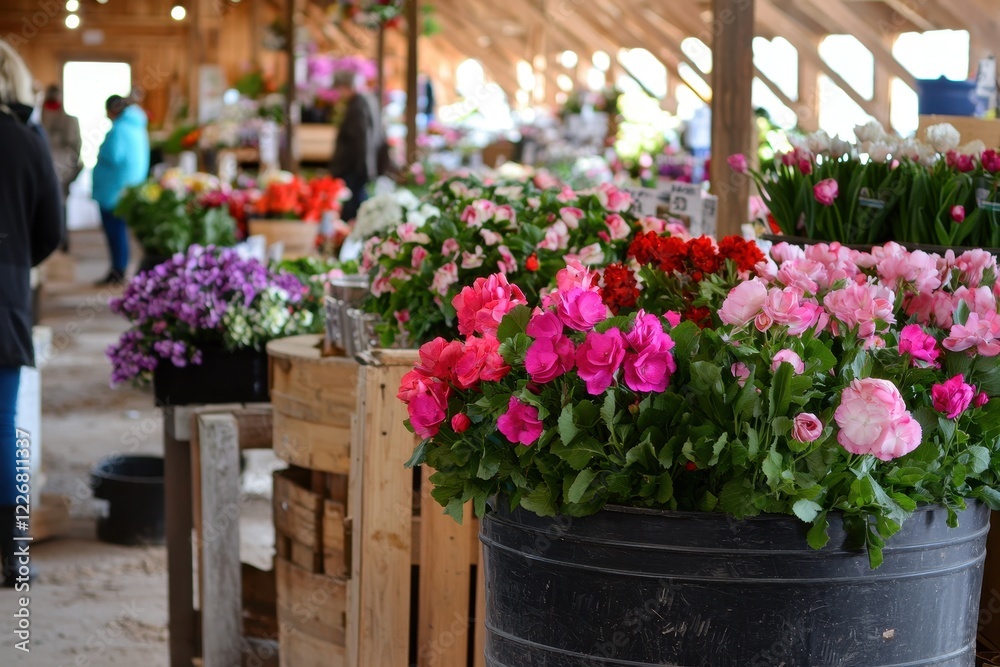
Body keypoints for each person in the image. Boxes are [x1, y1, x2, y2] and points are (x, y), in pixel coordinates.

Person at [0, 39, 63, 586]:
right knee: (3, 430)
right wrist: (18, 261)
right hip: (4, 295)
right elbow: (53, 231)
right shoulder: (26, 142)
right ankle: (15, 562)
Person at [92, 94, 150, 285]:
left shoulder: (119, 129)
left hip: (113, 190)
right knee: (121, 231)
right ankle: (119, 268)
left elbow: (113, 156)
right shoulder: (137, 127)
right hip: (127, 187)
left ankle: (118, 270)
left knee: (114, 231)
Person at [329, 71, 377, 222]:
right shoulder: (363, 101)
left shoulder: (358, 106)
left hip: (353, 169)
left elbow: (360, 141)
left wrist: (356, 169)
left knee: (352, 211)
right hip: (356, 167)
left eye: (340, 89)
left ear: (346, 87)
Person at [40, 84, 82, 253]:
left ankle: (62, 239)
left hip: (61, 172)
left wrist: (67, 171)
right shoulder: (38, 119)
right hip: (42, 171)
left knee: (60, 205)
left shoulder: (69, 121)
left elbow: (75, 149)